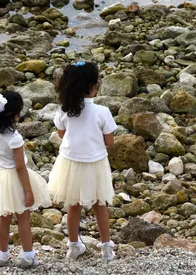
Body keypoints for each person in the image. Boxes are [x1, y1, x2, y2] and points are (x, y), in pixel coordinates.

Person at [48, 61, 117, 261]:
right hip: (95, 162)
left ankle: (74, 245)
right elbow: (110, 142)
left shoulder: (65, 109)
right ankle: (105, 248)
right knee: (100, 204)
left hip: (70, 162)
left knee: (73, 205)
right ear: (94, 87)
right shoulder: (102, 111)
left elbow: (61, 134)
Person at [0, 91, 52, 269]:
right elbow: (20, 167)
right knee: (23, 218)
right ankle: (27, 256)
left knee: (4, 218)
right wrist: (28, 190)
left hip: (1, 176)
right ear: (15, 116)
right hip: (17, 179)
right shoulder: (15, 138)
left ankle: (2, 255)